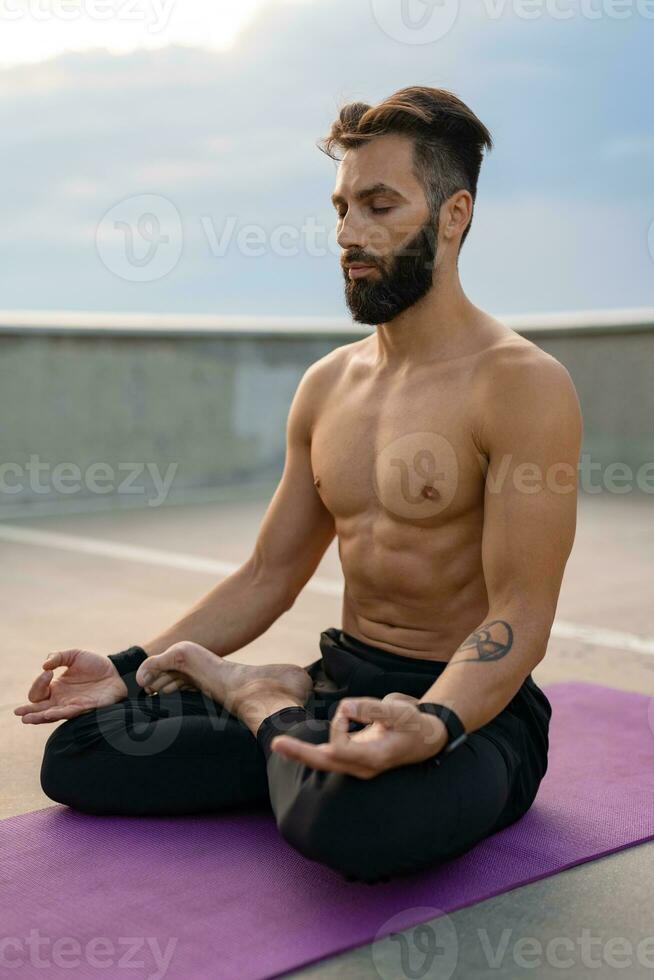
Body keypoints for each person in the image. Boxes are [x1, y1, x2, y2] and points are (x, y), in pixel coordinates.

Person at [14, 86, 582, 884]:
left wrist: (434, 722)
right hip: (333, 686)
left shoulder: (522, 385)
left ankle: (260, 713)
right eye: (342, 206)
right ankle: (286, 731)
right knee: (81, 751)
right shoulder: (327, 386)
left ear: (454, 215)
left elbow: (521, 611)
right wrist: (126, 663)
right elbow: (269, 574)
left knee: (356, 827)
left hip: (473, 712)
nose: (349, 234)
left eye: (380, 205)